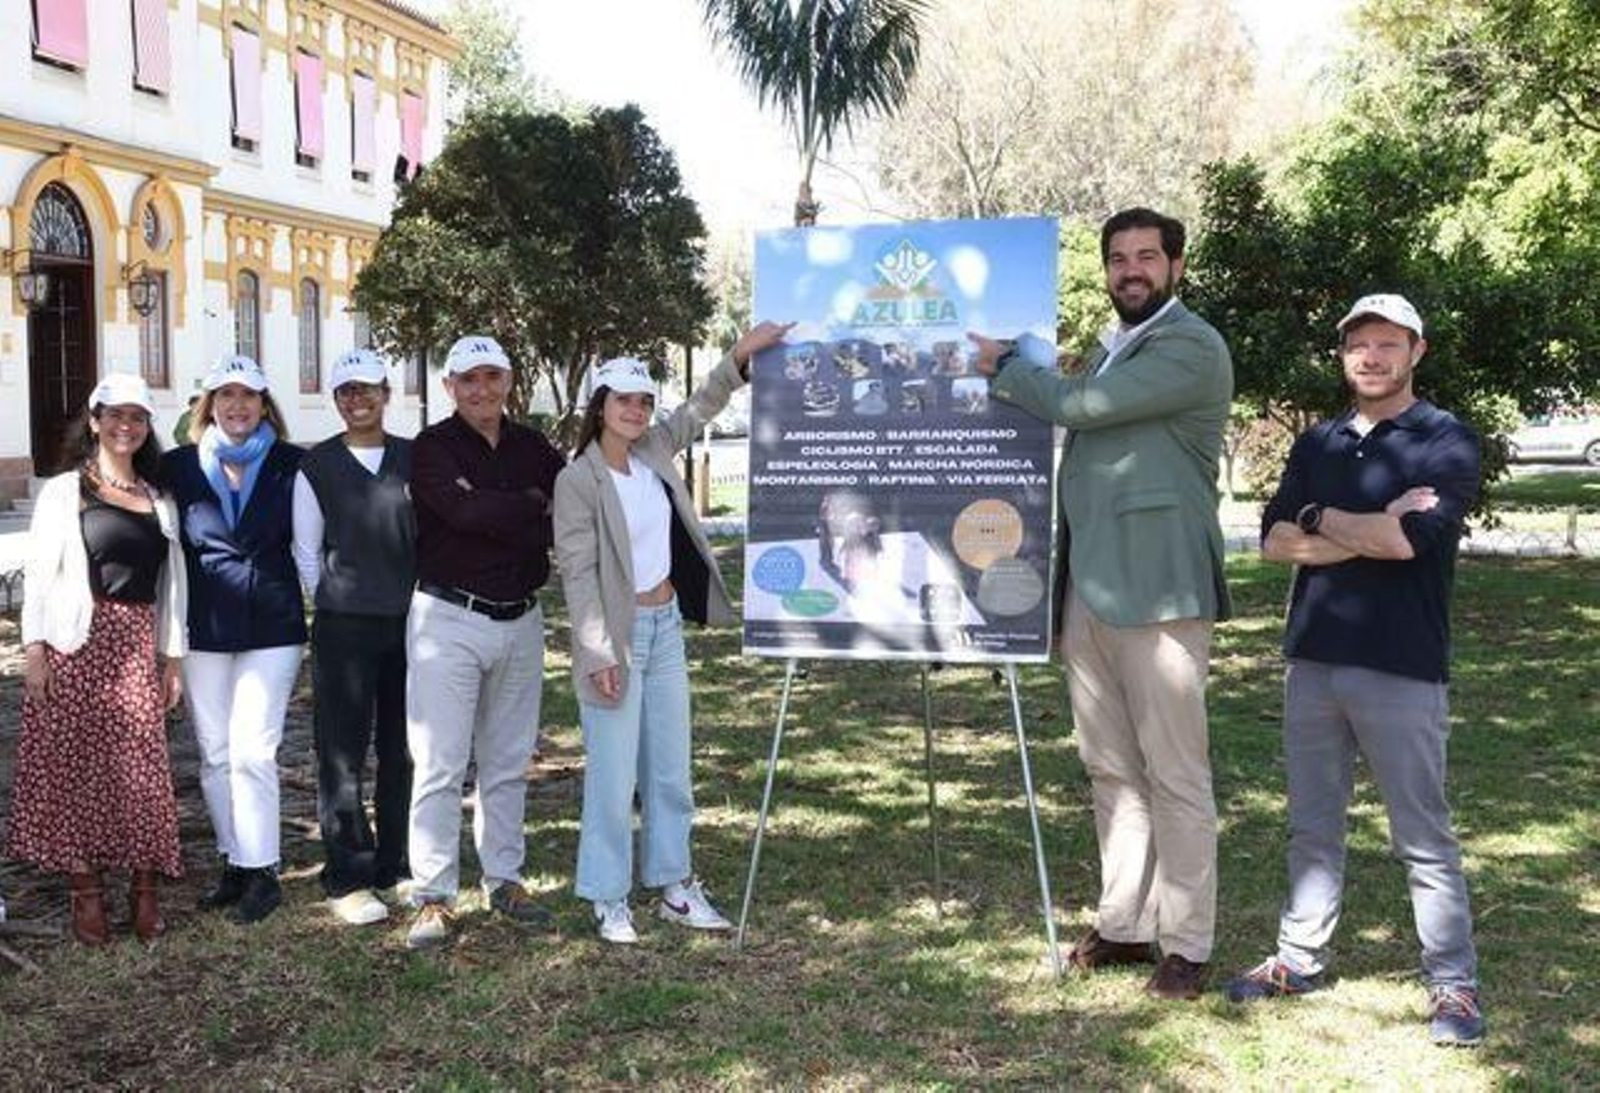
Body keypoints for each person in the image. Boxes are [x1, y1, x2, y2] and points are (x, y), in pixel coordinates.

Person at [971, 206, 1233, 1000]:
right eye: (1118, 258)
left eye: (1147, 257)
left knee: (1176, 772)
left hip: (1159, 593)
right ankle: (1125, 922)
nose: (1131, 270)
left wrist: (1008, 365)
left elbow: (1082, 407)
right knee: (1111, 769)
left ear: (1176, 266)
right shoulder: (1121, 346)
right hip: (1089, 589)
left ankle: (1186, 942)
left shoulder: (1190, 344)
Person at [1224, 294, 1486, 1046]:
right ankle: (1299, 958)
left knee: (1422, 835)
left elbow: (1409, 543)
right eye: (1357, 345)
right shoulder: (1319, 442)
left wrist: (1319, 518)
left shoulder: (1446, 439)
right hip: (1313, 660)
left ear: (1416, 351)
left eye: (1386, 344)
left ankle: (1454, 985)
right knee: (1311, 825)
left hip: (1401, 665)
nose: (1370, 357)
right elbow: (1274, 540)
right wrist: (1350, 524)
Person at [554, 323, 790, 944]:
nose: (636, 411)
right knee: (611, 772)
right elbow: (577, 574)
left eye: (644, 401)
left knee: (669, 768)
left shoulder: (655, 450)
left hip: (664, 631)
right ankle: (608, 896)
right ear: (600, 406)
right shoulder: (578, 480)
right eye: (623, 400)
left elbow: (703, 404)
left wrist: (740, 356)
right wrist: (597, 649)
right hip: (616, 635)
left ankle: (675, 885)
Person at [9, 374, 187, 944]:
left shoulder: (159, 499)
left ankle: (144, 888)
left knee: (142, 771)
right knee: (75, 768)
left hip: (135, 641)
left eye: (137, 417)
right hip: (74, 641)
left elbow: (173, 584)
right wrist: (34, 650)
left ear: (146, 426)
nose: (125, 426)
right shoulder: (66, 491)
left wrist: (173, 658)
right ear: (95, 421)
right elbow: (39, 577)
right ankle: (86, 891)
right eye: (115, 415)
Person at [403, 335, 566, 949]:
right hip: (449, 619)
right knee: (441, 765)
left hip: (521, 620)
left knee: (506, 762)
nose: (481, 390)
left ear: (508, 380)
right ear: (450, 387)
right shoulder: (432, 448)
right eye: (468, 379)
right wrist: (526, 504)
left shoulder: (533, 447)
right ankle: (435, 896)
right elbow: (461, 515)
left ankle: (505, 879)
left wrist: (497, 505)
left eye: (492, 377)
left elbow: (560, 517)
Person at [163, 355, 306, 924]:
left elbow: (313, 543)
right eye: (227, 396)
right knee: (217, 754)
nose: (238, 406)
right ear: (209, 405)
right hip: (205, 626)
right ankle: (234, 861)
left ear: (265, 406)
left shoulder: (293, 464)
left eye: (250, 396)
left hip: (272, 625)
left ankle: (263, 869)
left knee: (253, 751)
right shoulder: (176, 466)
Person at [292, 349, 415, 927]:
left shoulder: (414, 459)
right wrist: (343, 599)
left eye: (367, 389)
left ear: (385, 394)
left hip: (412, 625)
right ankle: (348, 871)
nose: (357, 399)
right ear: (335, 399)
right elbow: (306, 553)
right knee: (341, 753)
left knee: (403, 750)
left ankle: (397, 863)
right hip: (345, 628)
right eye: (346, 390)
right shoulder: (316, 466)